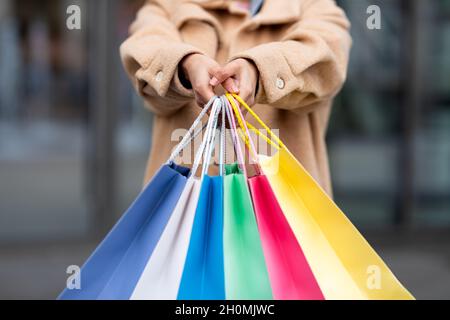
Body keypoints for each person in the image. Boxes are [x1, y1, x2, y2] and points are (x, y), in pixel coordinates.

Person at [120, 0, 351, 196]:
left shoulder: (311, 6)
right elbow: (143, 49)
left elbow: (328, 58)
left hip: (287, 220)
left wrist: (259, 71)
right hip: (181, 222)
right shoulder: (169, 5)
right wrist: (184, 64)